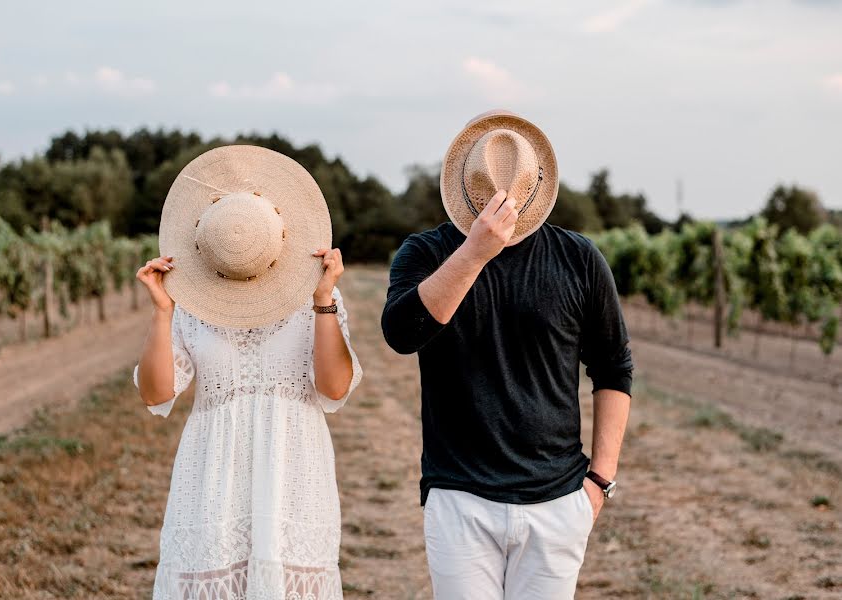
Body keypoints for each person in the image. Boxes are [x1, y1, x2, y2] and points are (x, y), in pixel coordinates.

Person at [381, 110, 633, 599]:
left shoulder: (578, 258)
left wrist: (599, 481)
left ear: (534, 183)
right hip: (459, 499)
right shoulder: (425, 253)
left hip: (558, 501)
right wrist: (474, 253)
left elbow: (613, 367)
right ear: (464, 182)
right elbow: (401, 333)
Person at [133, 145, 361, 600]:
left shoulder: (315, 299)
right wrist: (163, 311)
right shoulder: (191, 308)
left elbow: (334, 388)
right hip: (213, 473)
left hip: (294, 472)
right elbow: (156, 395)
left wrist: (323, 301)